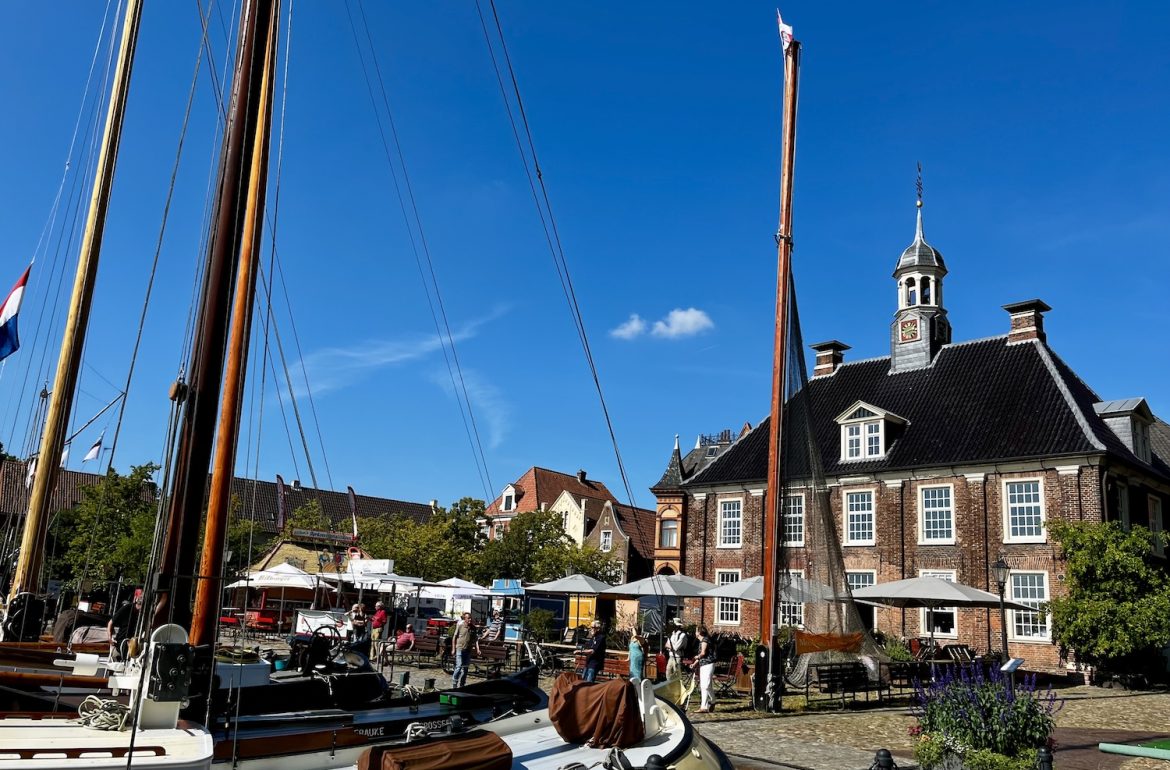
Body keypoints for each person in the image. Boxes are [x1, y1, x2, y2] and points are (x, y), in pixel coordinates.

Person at [107, 589, 143, 660]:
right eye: (140, 597)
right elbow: (111, 623)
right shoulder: (127, 608)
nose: (141, 599)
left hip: (137, 643)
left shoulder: (146, 612)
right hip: (123, 641)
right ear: (136, 598)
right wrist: (110, 637)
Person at [451, 612, 480, 688]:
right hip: (460, 648)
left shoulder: (473, 628)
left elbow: (475, 639)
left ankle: (462, 684)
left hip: (468, 650)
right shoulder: (460, 626)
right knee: (459, 666)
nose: (470, 619)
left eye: (470, 618)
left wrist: (478, 649)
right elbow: (454, 637)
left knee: (465, 669)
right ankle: (454, 682)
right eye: (468, 618)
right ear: (465, 619)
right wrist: (453, 648)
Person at [695, 626, 716, 713]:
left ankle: (708, 704)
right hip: (703, 665)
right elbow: (702, 654)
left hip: (708, 664)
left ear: (699, 632)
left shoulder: (705, 640)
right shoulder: (702, 641)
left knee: (706, 685)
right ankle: (709, 704)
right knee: (706, 686)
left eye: (696, 631)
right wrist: (694, 663)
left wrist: (697, 656)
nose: (695, 633)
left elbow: (703, 653)